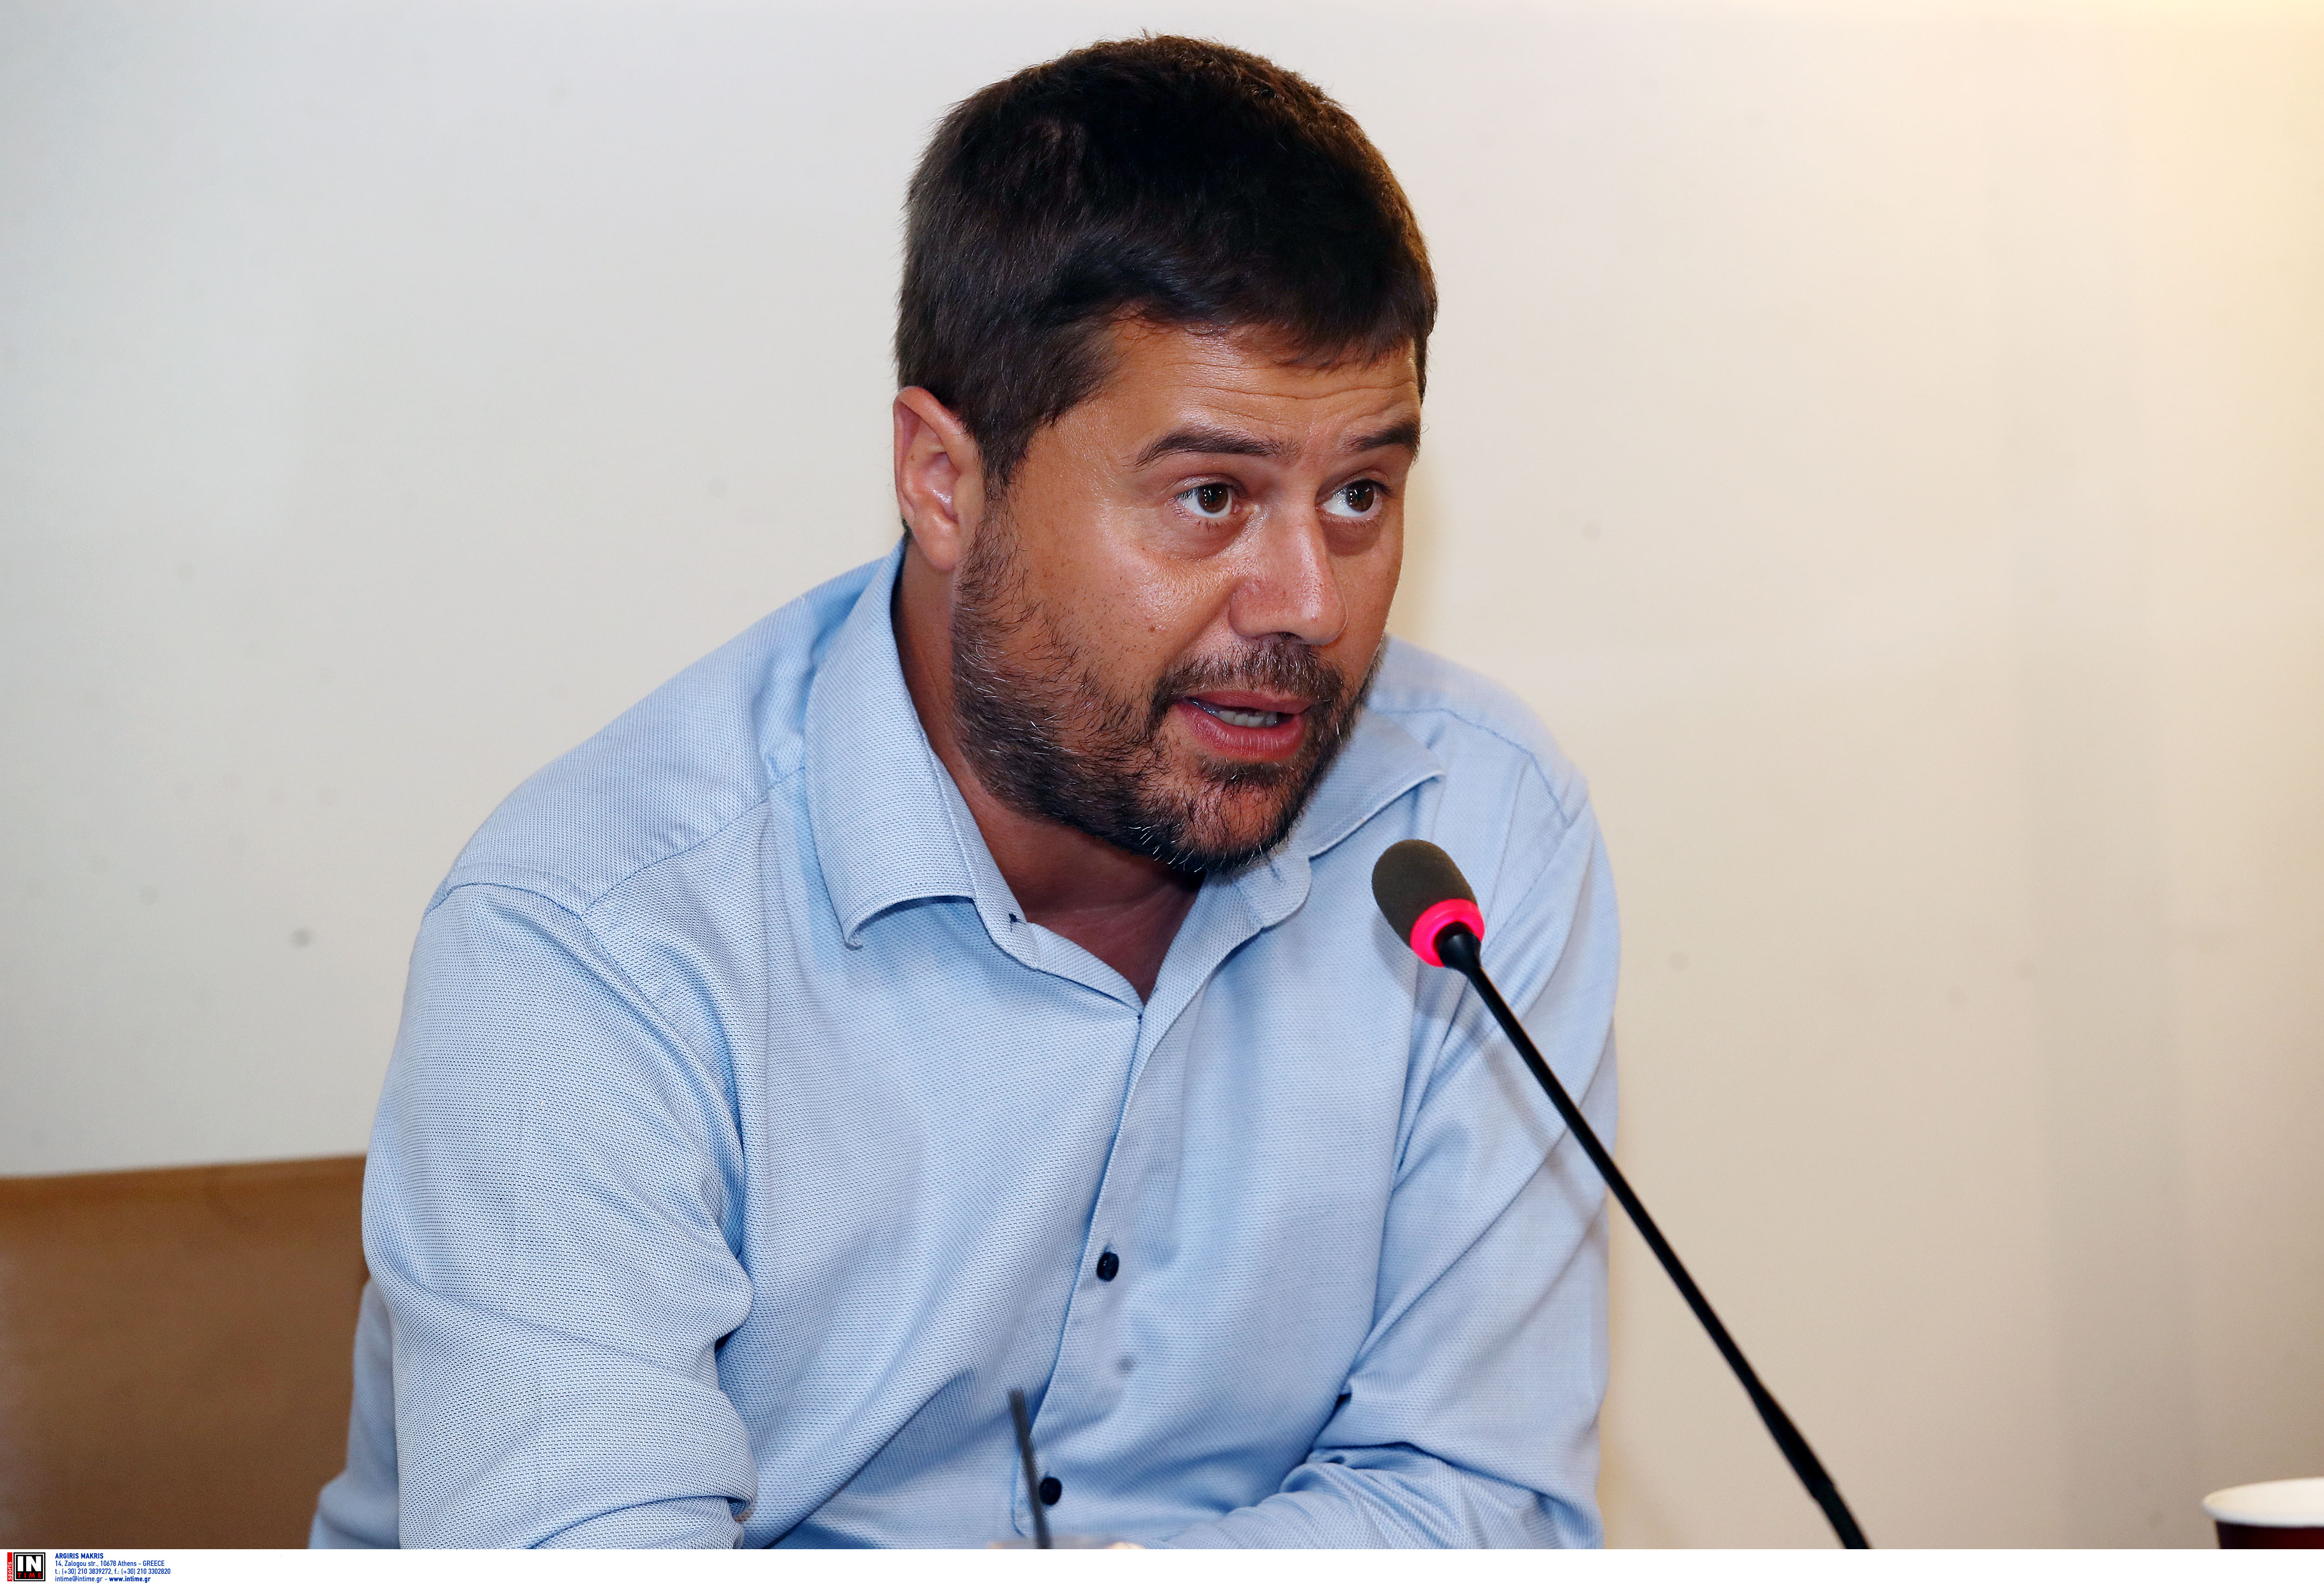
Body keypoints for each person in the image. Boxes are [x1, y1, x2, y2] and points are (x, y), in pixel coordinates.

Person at [312, 34, 1619, 1549]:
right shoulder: (594, 945)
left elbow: (1484, 1504)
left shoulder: (1472, 833)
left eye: (1360, 495)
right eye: (1211, 497)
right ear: (945, 480)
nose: (1308, 604)